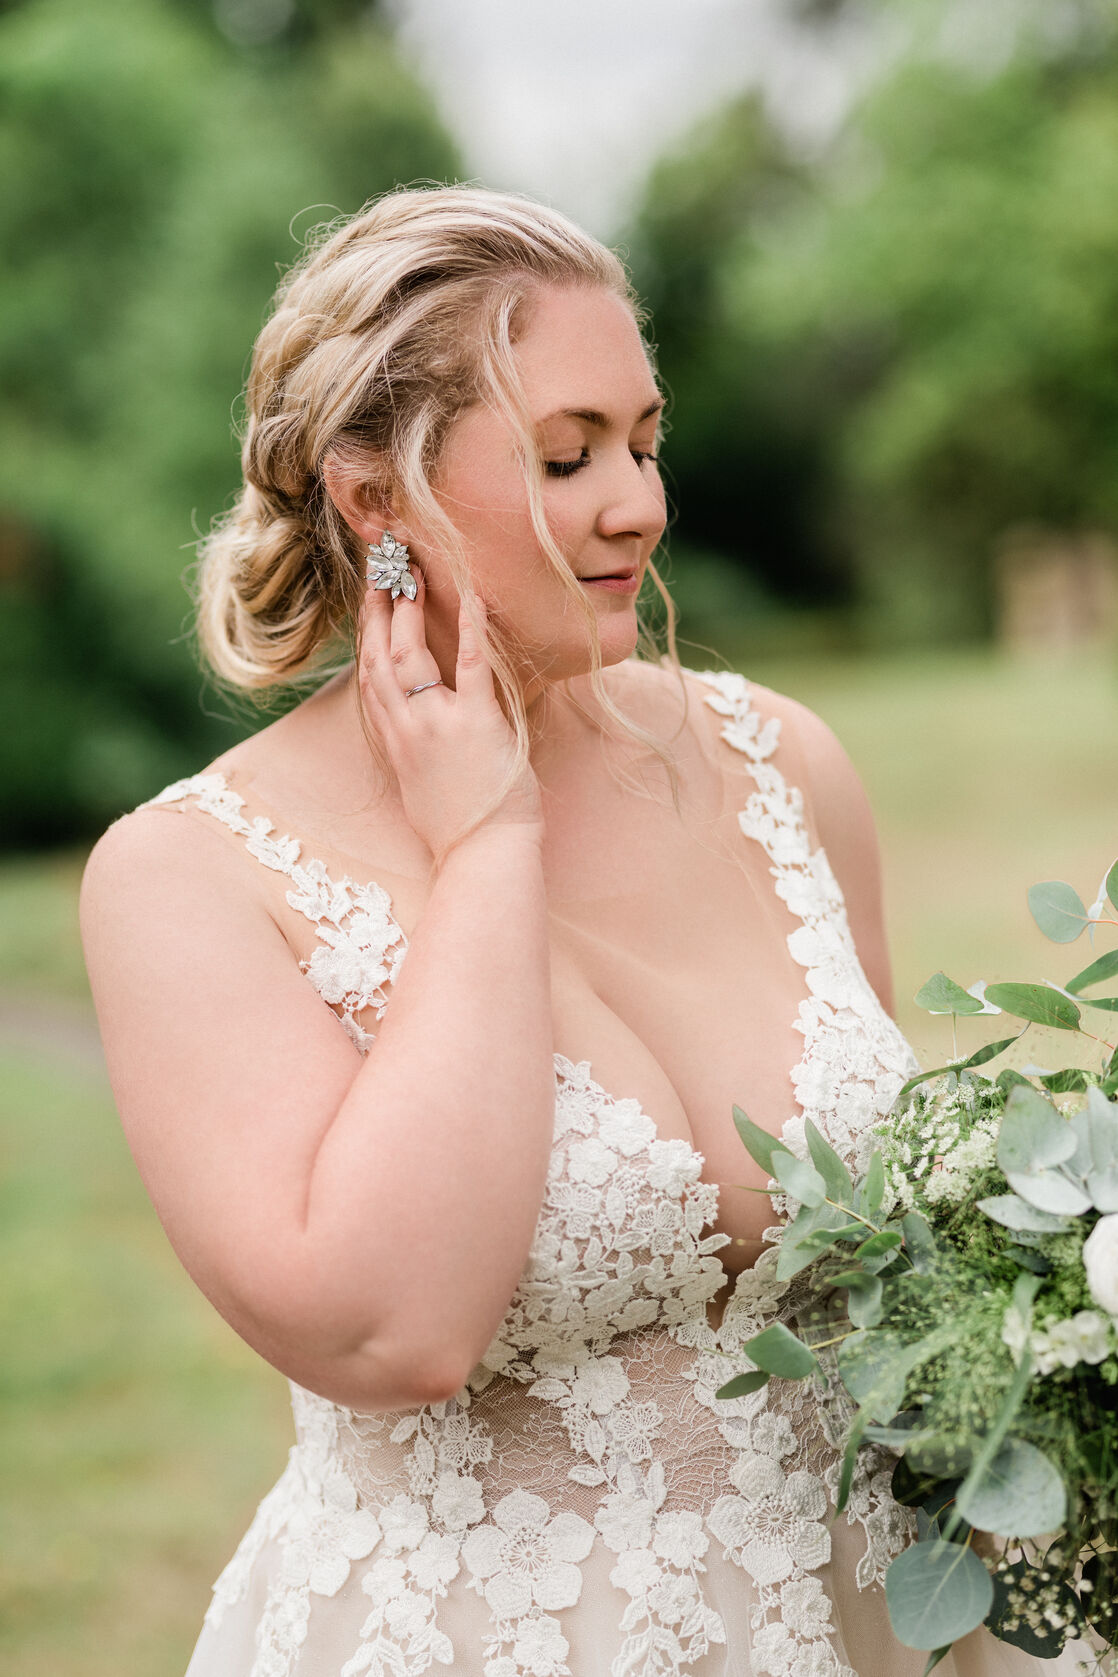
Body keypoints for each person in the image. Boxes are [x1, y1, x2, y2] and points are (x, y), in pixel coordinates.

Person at [80, 186, 1078, 1677]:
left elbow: (903, 1257)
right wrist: (485, 844)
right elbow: (393, 1331)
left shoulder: (779, 767)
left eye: (642, 439)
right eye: (566, 455)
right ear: (372, 499)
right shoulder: (187, 878)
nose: (640, 504)